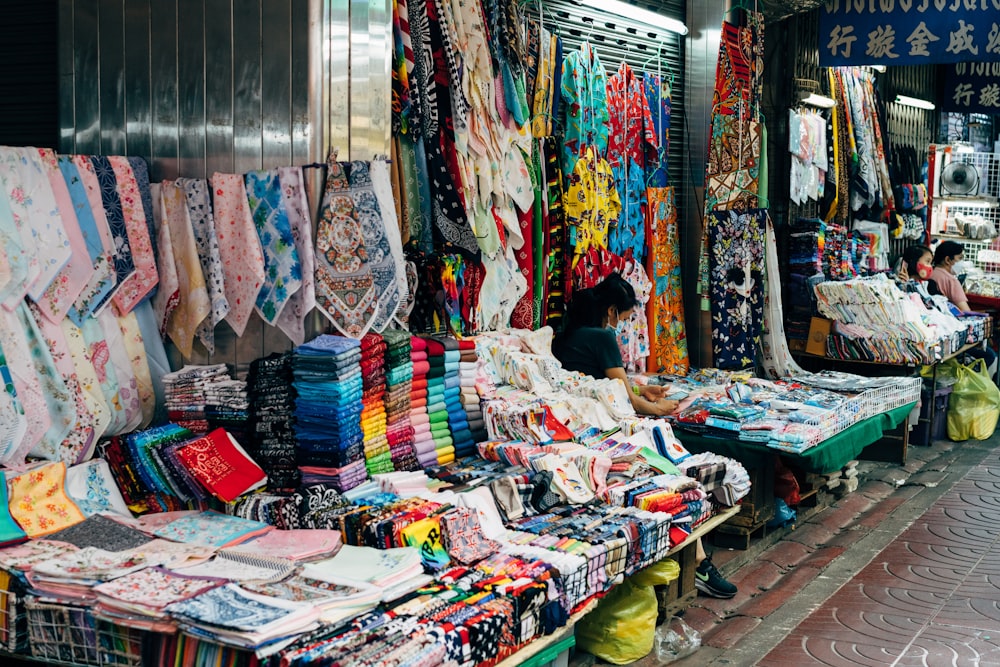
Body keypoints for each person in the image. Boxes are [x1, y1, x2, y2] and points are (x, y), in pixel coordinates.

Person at [553, 273, 738, 598]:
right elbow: (630, 400)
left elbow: (616, 386)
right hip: (603, 428)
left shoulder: (575, 334)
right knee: (672, 476)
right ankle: (700, 563)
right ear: (611, 311)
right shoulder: (602, 337)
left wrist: (646, 390)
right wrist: (668, 406)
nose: (623, 324)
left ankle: (698, 558)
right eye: (623, 317)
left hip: (581, 424)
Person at [930, 240, 970, 311]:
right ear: (948, 260)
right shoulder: (951, 281)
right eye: (960, 258)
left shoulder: (930, 274)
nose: (962, 262)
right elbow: (965, 311)